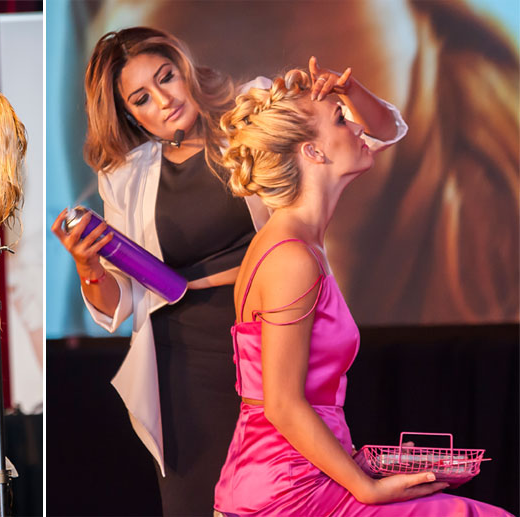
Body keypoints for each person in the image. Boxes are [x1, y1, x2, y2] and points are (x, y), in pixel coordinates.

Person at [49, 26, 406, 513]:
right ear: (127, 114)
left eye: (166, 77)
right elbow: (124, 301)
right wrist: (89, 266)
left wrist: (350, 94)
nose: (164, 100)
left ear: (184, 68)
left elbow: (380, 133)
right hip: (184, 358)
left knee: (294, 486)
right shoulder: (126, 175)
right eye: (141, 98)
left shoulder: (250, 113)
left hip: (270, 328)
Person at [213, 68, 511, 516]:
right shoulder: (291, 257)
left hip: (309, 474)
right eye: (340, 118)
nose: (356, 126)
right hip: (286, 491)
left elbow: (387, 130)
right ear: (313, 151)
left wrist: (348, 90)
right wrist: (367, 488)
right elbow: (282, 404)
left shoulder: (299, 241)